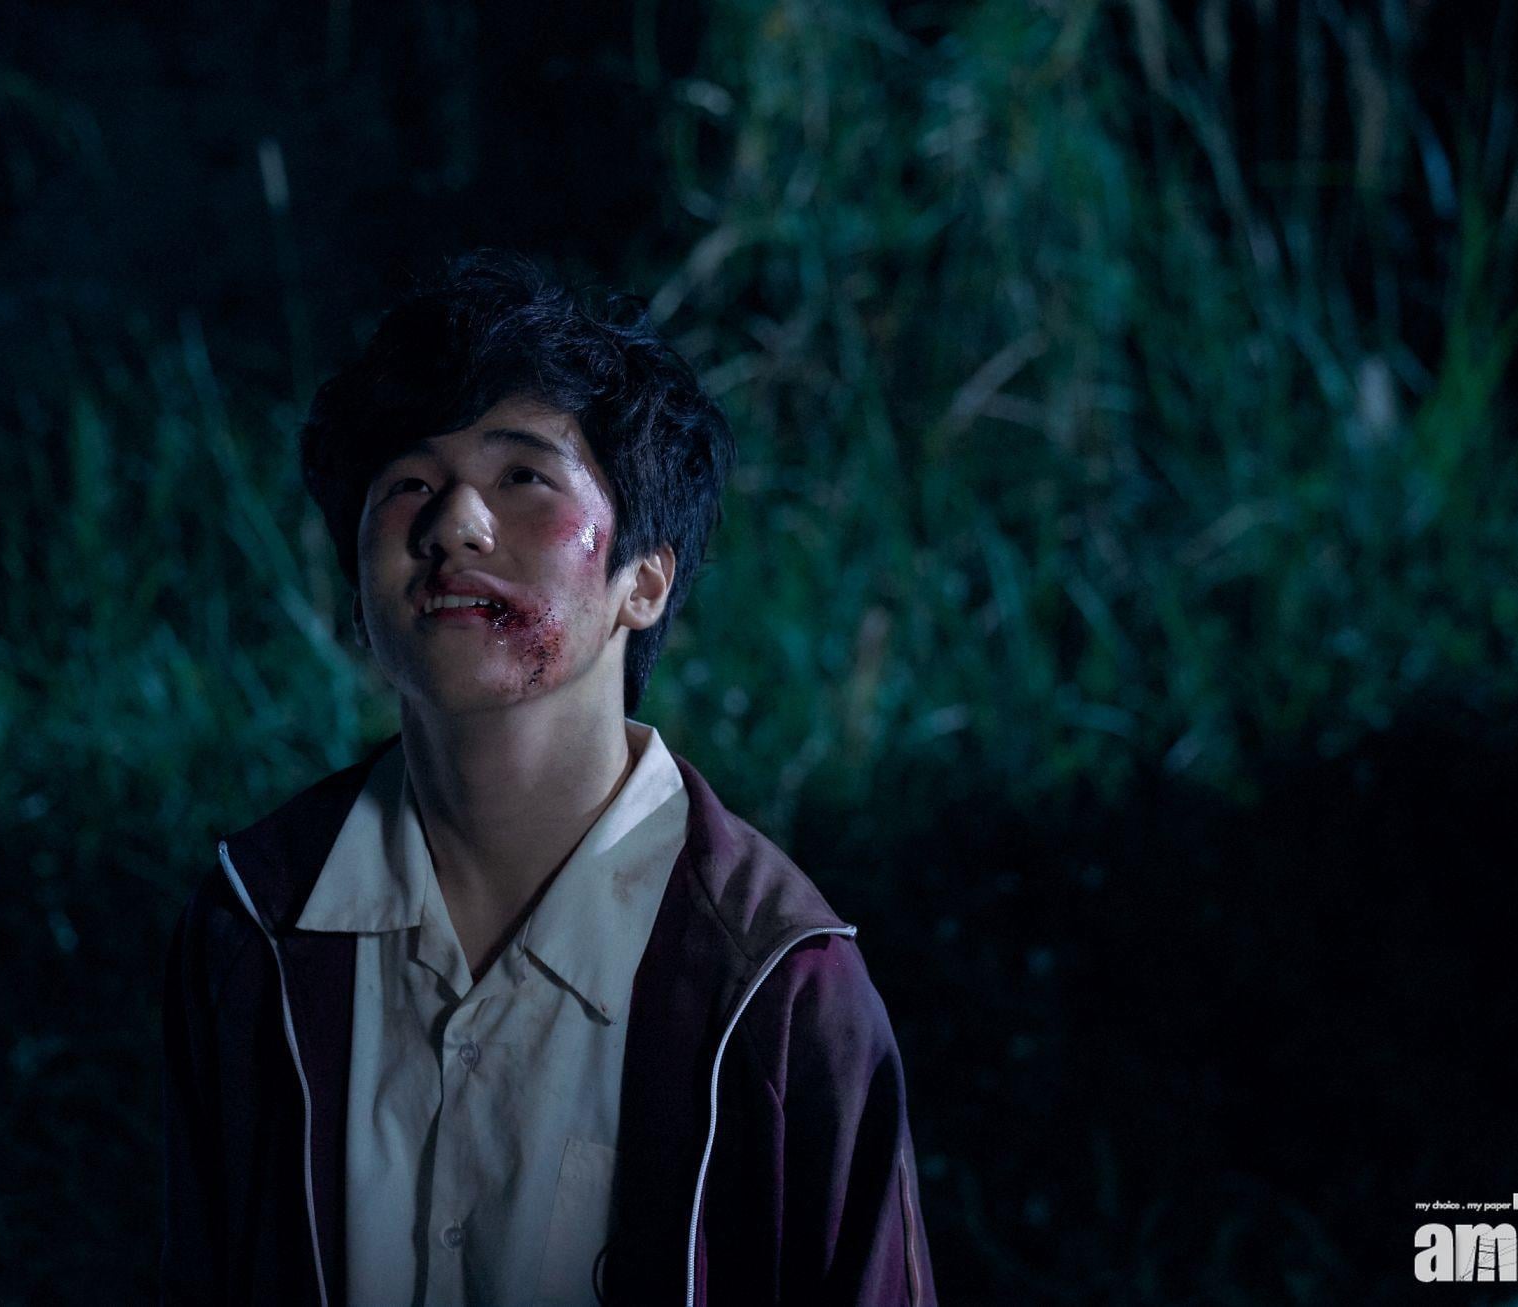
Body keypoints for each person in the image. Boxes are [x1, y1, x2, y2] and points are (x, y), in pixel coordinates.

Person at [160, 250, 936, 1306]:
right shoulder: (251, 924)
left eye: (522, 476)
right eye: (408, 484)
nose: (453, 524)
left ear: (644, 580)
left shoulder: (781, 983)